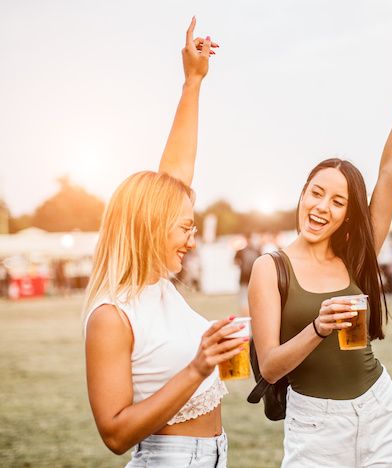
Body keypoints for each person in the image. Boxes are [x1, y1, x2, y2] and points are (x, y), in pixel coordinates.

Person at [248, 37, 392, 468]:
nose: (322, 207)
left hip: (378, 409)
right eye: (316, 193)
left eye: (338, 202)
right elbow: (270, 368)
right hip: (315, 426)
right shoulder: (270, 268)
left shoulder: (355, 255)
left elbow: (390, 174)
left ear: (347, 215)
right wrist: (318, 327)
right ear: (301, 194)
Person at [82, 19, 247, 467]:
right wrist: (198, 365)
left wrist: (193, 82)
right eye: (185, 229)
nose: (191, 242)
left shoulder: (157, 286)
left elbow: (175, 173)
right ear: (151, 226)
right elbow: (115, 434)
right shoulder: (111, 315)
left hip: (214, 454)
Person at [234, 233, 260, 315]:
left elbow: (235, 262)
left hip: (243, 278)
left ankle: (245, 315)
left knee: (244, 300)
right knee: (255, 298)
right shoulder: (257, 250)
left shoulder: (241, 251)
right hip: (255, 278)